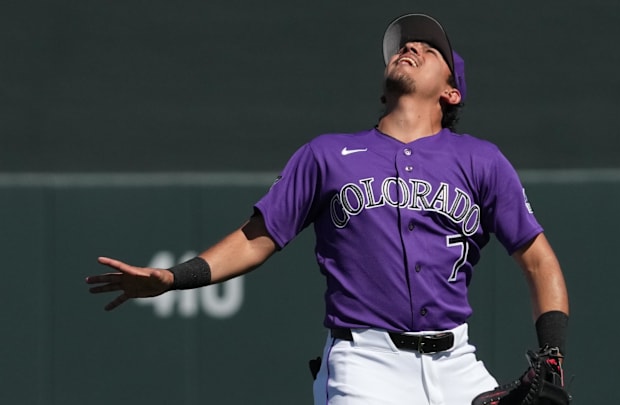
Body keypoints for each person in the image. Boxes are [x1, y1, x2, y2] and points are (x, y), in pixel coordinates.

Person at [86, 13, 569, 405]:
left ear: (451, 91)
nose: (412, 48)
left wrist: (552, 354)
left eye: (430, 48)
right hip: (366, 365)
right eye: (405, 45)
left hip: (458, 363)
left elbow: (538, 259)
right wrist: (175, 278)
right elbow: (257, 237)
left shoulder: (480, 160)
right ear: (384, 88)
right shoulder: (327, 155)